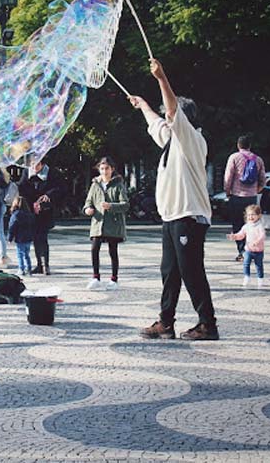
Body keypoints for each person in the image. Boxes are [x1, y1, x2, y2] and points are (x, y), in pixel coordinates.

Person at [130, 58, 219, 341]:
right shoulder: (171, 141)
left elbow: (170, 111)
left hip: (188, 216)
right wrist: (143, 105)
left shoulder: (192, 139)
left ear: (185, 119)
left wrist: (161, 78)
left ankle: (208, 324)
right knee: (169, 271)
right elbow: (157, 122)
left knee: (191, 272)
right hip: (172, 217)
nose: (168, 120)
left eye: (174, 118)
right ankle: (165, 322)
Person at [83, 156, 129, 291]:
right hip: (98, 222)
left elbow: (125, 205)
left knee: (112, 251)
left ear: (112, 169)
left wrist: (111, 206)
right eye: (102, 168)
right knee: (94, 249)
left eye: (107, 168)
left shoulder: (118, 184)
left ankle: (114, 279)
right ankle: (95, 277)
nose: (104, 171)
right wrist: (88, 209)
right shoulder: (95, 185)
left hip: (113, 223)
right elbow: (88, 202)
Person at [18, 158, 66, 275]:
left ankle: (45, 265)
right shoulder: (26, 172)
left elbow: (61, 188)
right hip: (31, 209)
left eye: (37, 164)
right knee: (35, 237)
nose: (35, 167)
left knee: (42, 236)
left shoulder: (52, 173)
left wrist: (48, 195)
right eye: (32, 164)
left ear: (43, 164)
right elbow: (22, 188)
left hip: (45, 209)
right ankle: (39, 264)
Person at [224, 135, 265, 261]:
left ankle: (242, 251)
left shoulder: (234, 157)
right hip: (251, 197)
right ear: (250, 146)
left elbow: (228, 177)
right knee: (252, 224)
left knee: (238, 224)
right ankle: (251, 250)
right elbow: (263, 179)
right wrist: (256, 190)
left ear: (238, 145)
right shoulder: (258, 159)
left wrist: (227, 191)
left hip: (237, 196)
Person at [227, 204, 266, 287]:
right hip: (248, 250)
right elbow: (241, 235)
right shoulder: (246, 226)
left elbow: (262, 236)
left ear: (259, 216)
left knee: (259, 266)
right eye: (249, 215)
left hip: (258, 251)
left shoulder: (260, 226)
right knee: (246, 264)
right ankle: (246, 277)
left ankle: (260, 279)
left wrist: (257, 241)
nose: (250, 217)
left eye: (253, 215)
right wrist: (234, 236)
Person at [7, 195, 35, 276]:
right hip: (28, 238)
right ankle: (29, 268)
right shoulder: (30, 215)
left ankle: (21, 269)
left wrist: (10, 238)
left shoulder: (16, 215)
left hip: (20, 238)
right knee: (27, 254)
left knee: (20, 254)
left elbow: (12, 227)